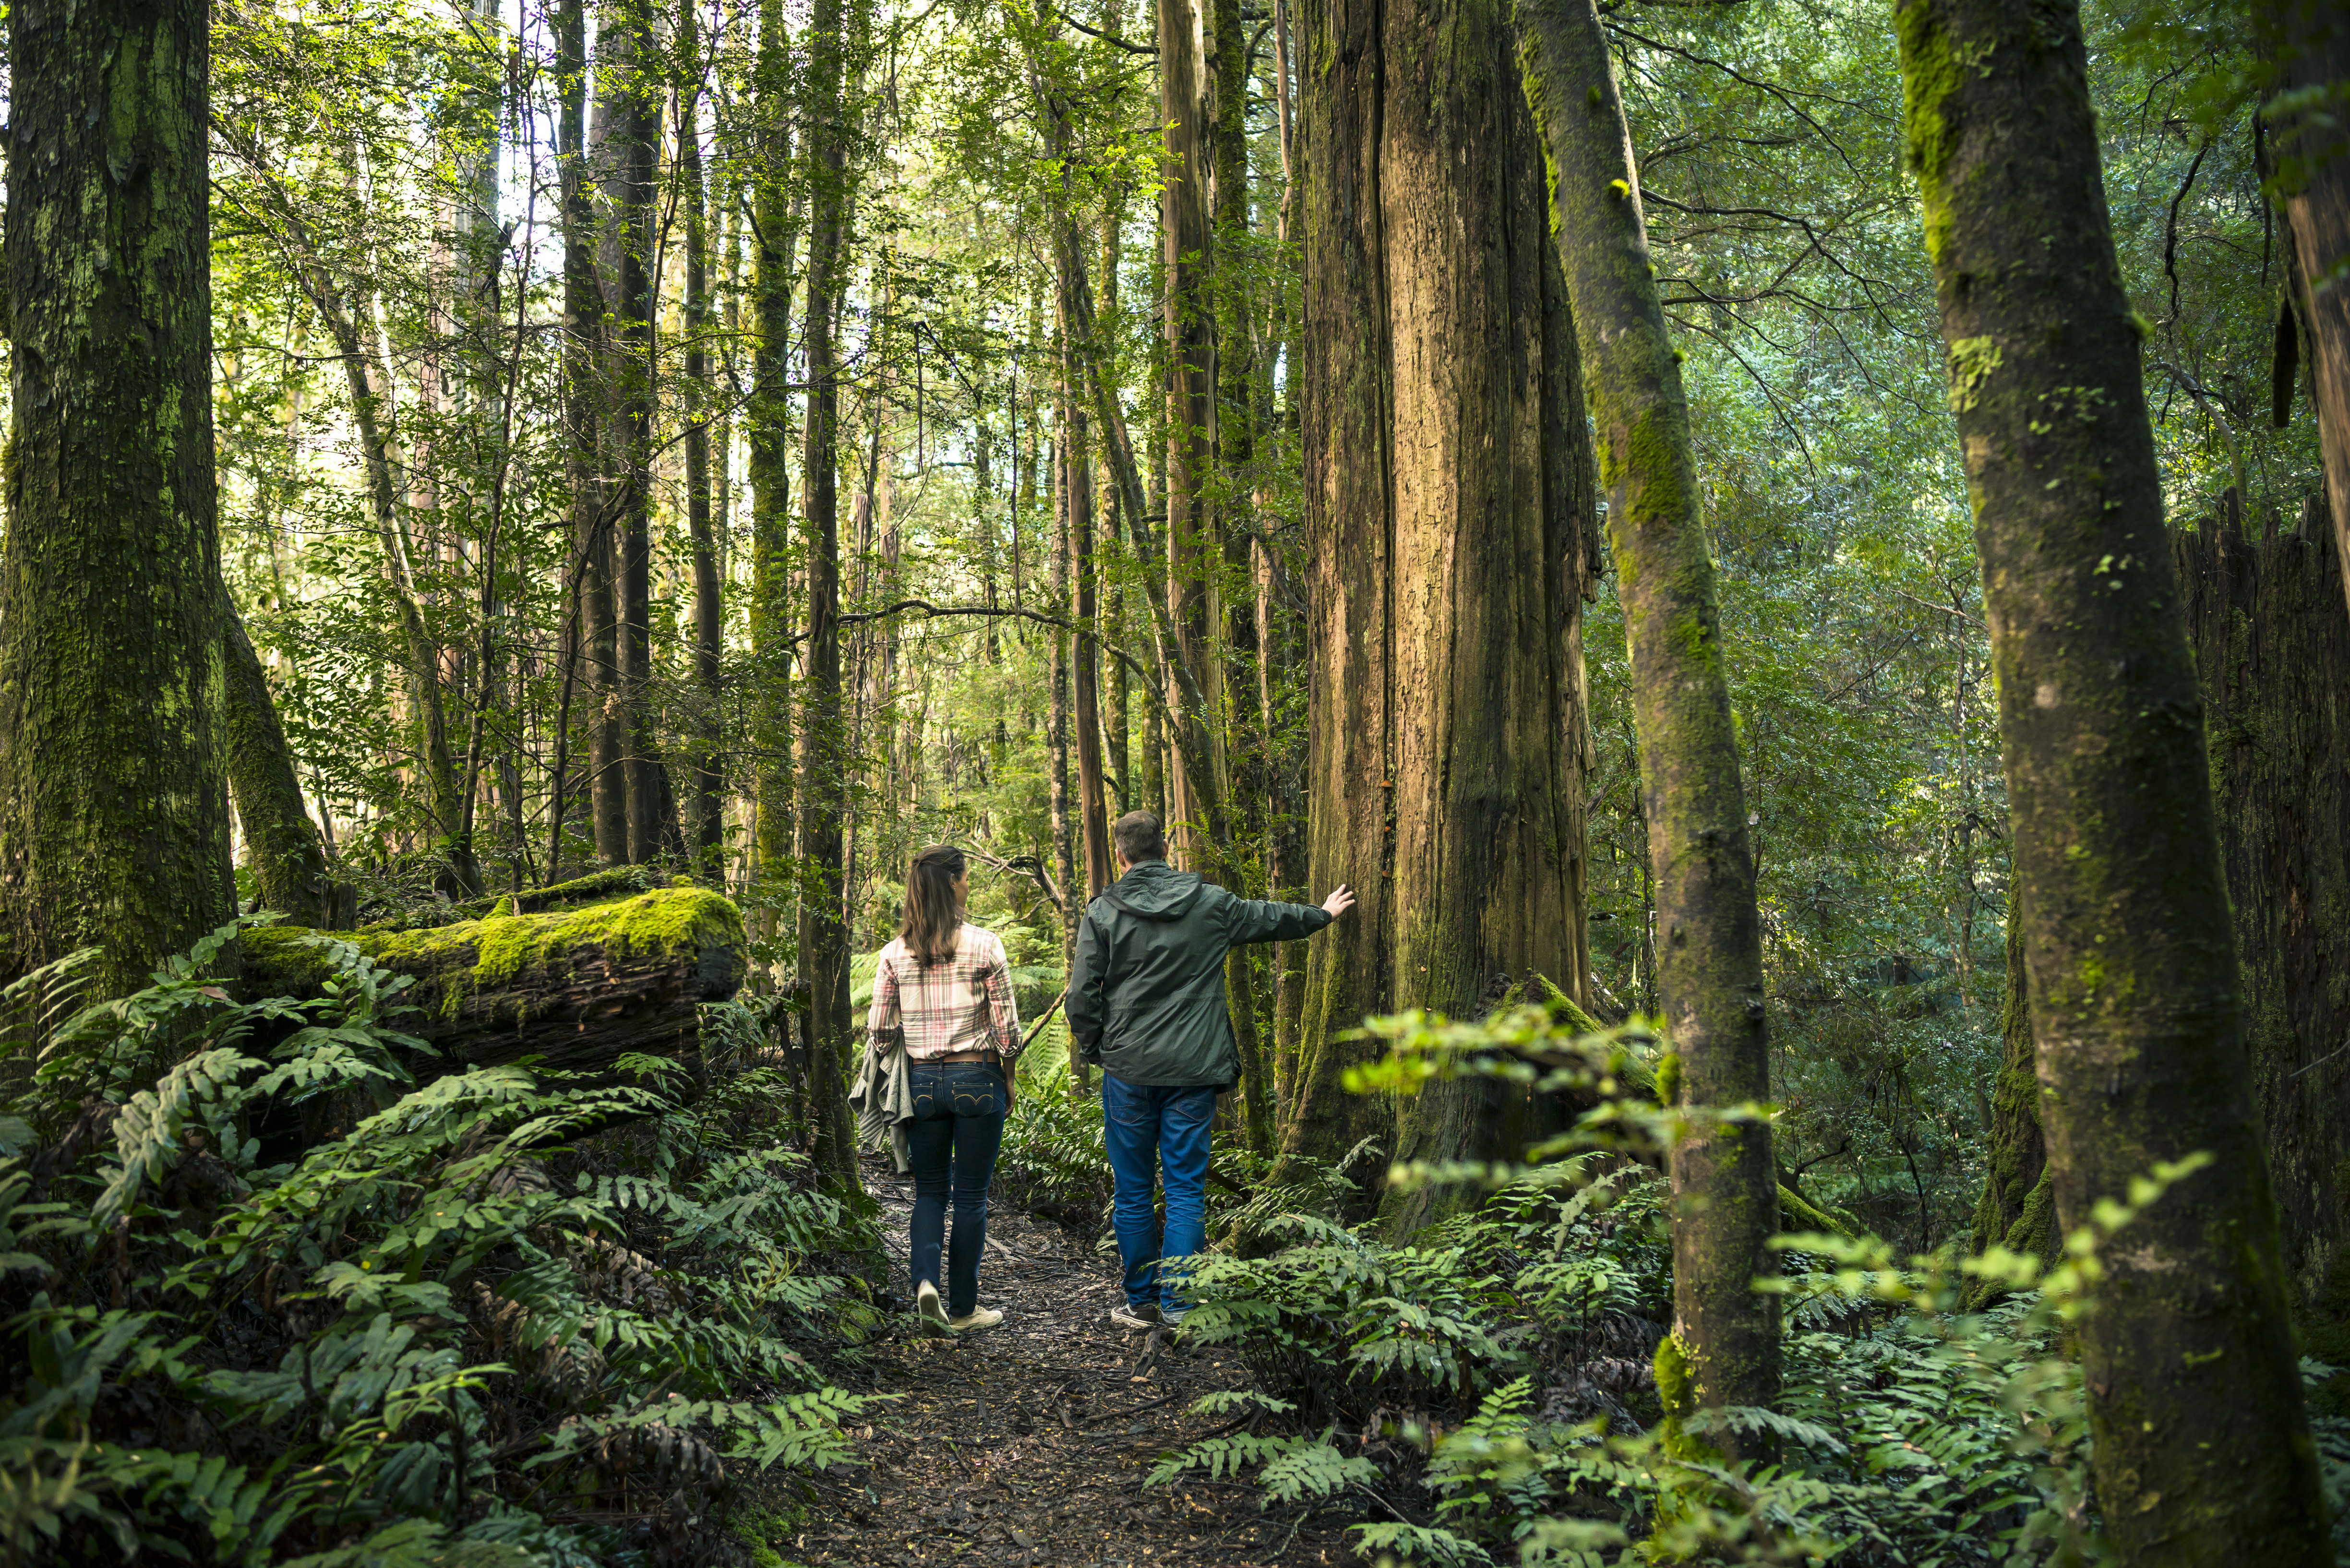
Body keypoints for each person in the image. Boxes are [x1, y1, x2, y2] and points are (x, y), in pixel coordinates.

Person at [1067, 811, 1356, 1331]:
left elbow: (1082, 997)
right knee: (1184, 1191)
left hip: (1128, 1069)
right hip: (1194, 1069)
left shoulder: (1104, 912)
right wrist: (1322, 914)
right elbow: (1271, 918)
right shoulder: (1210, 904)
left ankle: (1141, 1303)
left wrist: (1099, 1051)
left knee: (1133, 1192)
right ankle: (1179, 1305)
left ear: (1121, 854)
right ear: (1166, 847)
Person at [865, 843, 1024, 1337]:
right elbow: (1009, 1034)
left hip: (923, 1085)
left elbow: (880, 1031)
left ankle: (925, 1286)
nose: (968, 884)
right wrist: (1009, 1075)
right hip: (978, 1079)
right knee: (972, 1197)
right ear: (952, 882)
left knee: (930, 1193)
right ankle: (964, 1309)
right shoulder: (985, 945)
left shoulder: (894, 954)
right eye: (966, 877)